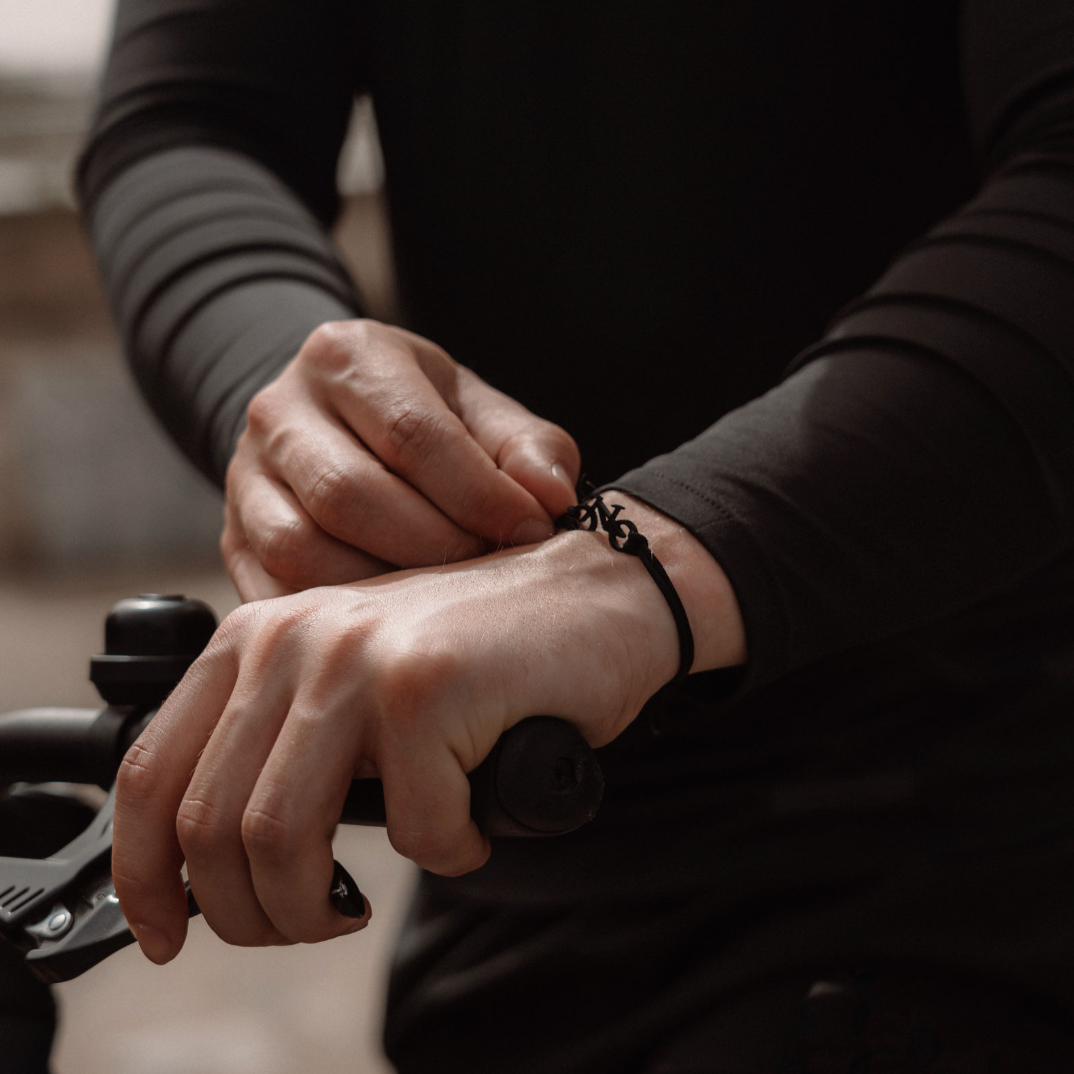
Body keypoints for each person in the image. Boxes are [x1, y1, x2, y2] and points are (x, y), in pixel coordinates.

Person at [78, 0, 1074, 1069]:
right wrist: (300, 396)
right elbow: (190, 117)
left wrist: (644, 567)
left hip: (978, 837)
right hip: (512, 848)